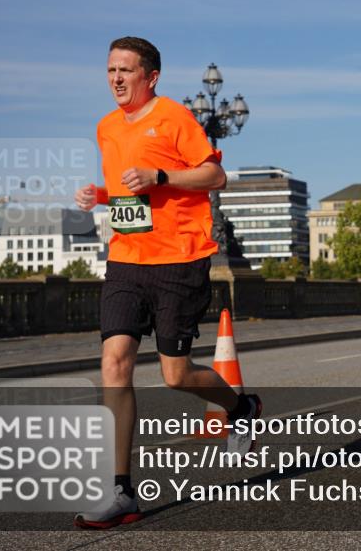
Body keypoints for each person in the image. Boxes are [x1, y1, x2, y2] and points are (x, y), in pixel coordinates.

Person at [73, 37, 261, 529]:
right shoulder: (106, 127)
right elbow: (128, 192)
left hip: (178, 260)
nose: (116, 78)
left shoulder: (175, 117)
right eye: (110, 70)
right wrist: (102, 195)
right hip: (125, 260)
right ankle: (120, 490)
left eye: (125, 70)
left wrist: (160, 174)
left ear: (150, 76)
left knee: (176, 375)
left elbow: (215, 177)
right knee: (114, 363)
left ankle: (241, 406)